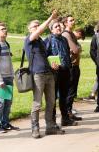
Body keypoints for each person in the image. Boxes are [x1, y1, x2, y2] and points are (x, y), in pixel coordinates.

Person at [24, 11, 64, 139]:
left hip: (48, 73)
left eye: (38, 25)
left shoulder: (41, 41)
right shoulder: (29, 40)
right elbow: (40, 30)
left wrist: (53, 64)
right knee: (37, 103)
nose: (37, 27)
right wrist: (50, 18)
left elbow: (45, 56)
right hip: (38, 75)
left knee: (51, 102)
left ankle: (50, 126)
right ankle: (35, 128)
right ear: (29, 29)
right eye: (35, 26)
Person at [45, 21, 77, 126]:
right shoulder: (48, 40)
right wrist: (51, 64)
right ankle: (52, 121)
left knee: (64, 96)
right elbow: (45, 56)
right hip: (54, 72)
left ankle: (65, 119)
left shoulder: (64, 39)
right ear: (51, 29)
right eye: (56, 26)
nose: (59, 27)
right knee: (53, 97)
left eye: (59, 25)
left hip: (66, 70)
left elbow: (67, 52)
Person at [0, 22, 19, 133]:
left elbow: (9, 61)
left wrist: (12, 75)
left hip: (8, 77)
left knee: (8, 102)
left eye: (5, 29)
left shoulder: (6, 44)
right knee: (0, 103)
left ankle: (5, 123)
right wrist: (0, 80)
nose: (5, 30)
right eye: (2, 29)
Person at [62, 16, 82, 121]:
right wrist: (77, 48)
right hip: (71, 67)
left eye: (74, 20)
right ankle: (67, 114)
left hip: (75, 66)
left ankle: (69, 112)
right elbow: (75, 50)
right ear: (65, 23)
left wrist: (77, 48)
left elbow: (77, 49)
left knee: (73, 91)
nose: (73, 22)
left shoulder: (71, 34)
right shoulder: (66, 34)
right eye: (70, 20)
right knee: (70, 91)